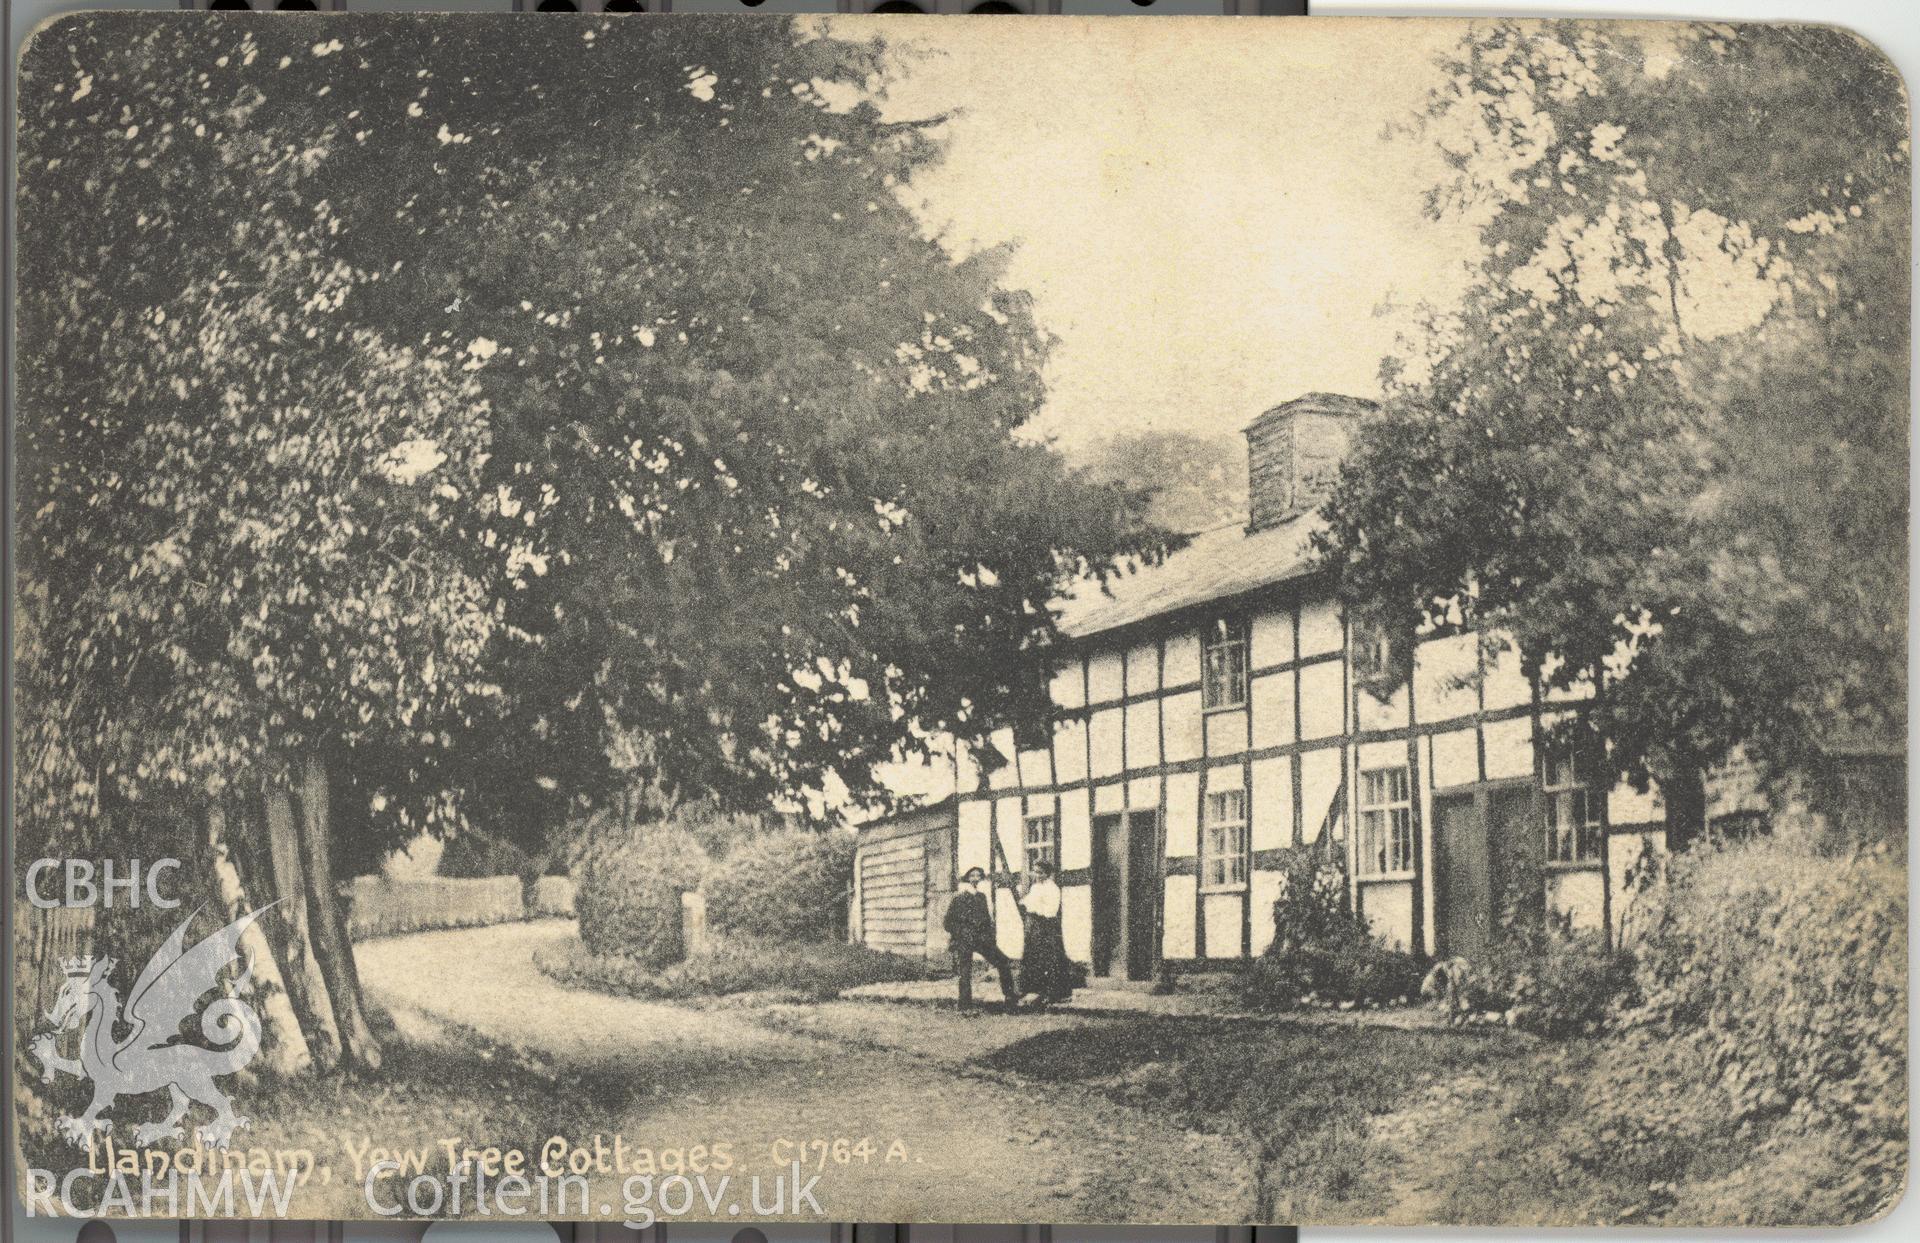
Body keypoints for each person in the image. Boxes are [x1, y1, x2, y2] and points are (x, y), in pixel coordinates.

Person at [942, 866, 1017, 1010]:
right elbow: (948, 923)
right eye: (972, 876)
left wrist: (989, 937)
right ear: (967, 878)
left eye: (978, 876)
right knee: (965, 972)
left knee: (1002, 961)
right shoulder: (959, 898)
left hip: (981, 939)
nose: (975, 879)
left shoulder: (982, 897)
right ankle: (964, 1005)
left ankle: (1009, 997)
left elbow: (987, 920)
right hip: (964, 940)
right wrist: (962, 933)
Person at [1017, 860, 1074, 1006]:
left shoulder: (1052, 888)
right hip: (1034, 926)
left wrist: (1035, 908)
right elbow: (1027, 901)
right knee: (1034, 957)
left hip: (1047, 927)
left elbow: (1051, 910)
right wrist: (1024, 903)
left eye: (1041, 872)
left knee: (1050, 958)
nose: (1037, 875)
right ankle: (1036, 991)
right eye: (1035, 872)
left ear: (1048, 873)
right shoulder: (1035, 887)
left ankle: (1055, 993)